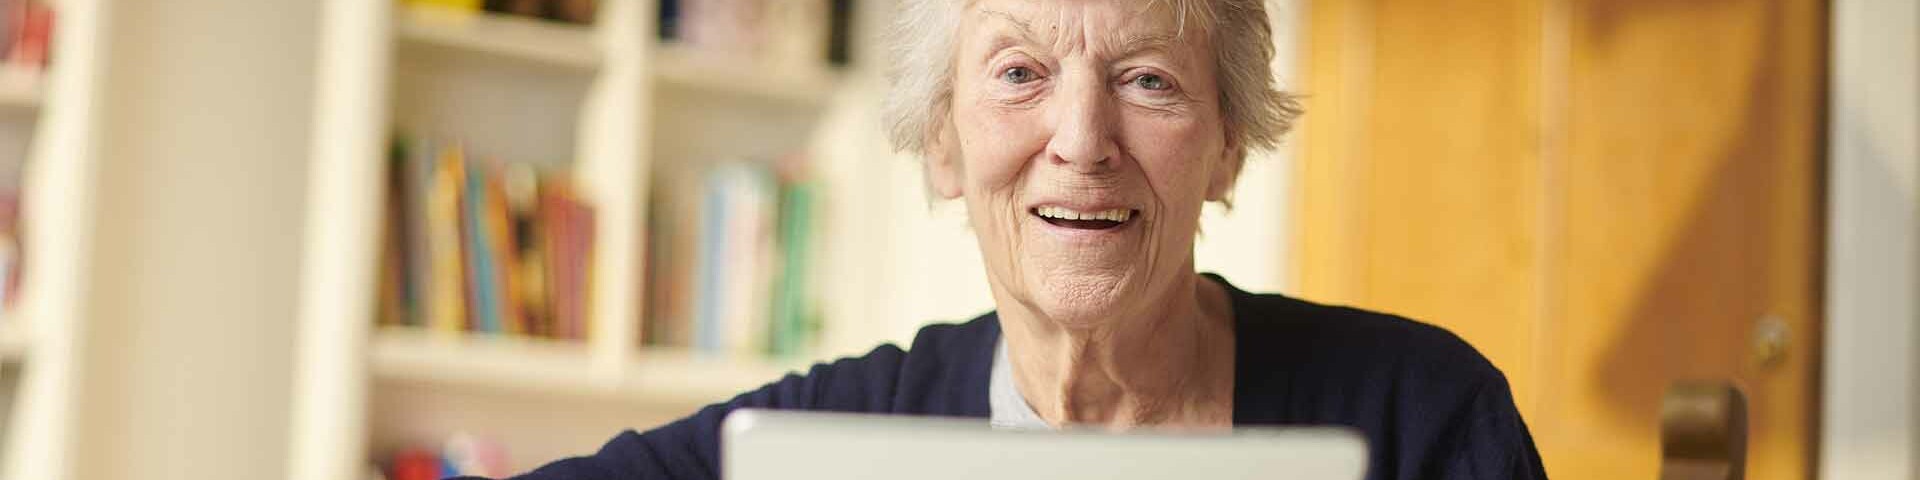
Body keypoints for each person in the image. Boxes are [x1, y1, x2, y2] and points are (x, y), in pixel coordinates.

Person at [481, 0, 1546, 478]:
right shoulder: (837, 440)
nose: (1081, 141)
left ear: (1227, 148)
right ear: (942, 145)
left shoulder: (1422, 419)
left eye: (1149, 80)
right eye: (1020, 73)